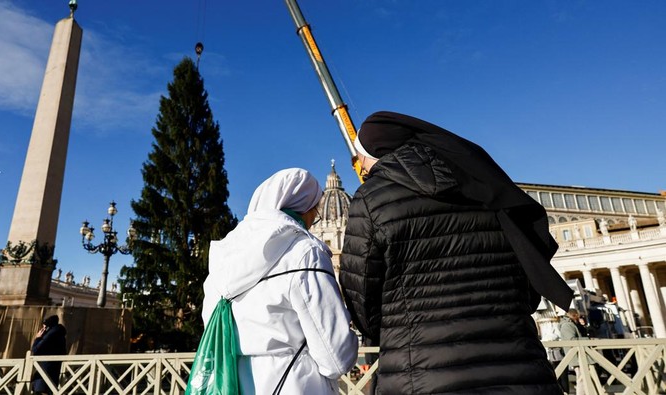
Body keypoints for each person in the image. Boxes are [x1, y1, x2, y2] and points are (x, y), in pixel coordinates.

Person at [339, 111, 573, 394]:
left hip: (423, 372)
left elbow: (361, 298)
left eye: (360, 157)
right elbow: (528, 274)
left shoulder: (371, 199)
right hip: (521, 371)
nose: (361, 166)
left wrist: (399, 325)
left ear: (376, 152)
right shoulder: (485, 186)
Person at [202, 168, 358, 394]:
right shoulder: (305, 252)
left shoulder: (222, 258)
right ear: (304, 207)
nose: (315, 218)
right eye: (315, 209)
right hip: (293, 384)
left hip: (233, 383)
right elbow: (336, 357)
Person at [31, 315, 67, 395]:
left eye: (44, 328)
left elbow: (35, 350)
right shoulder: (60, 335)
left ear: (47, 327)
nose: (42, 330)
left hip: (44, 371)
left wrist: (38, 338)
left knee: (42, 391)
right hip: (53, 371)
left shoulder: (49, 336)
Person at [560, 309, 592, 395]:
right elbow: (571, 340)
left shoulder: (571, 324)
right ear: (575, 315)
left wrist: (582, 325)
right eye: (578, 315)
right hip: (576, 356)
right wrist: (588, 340)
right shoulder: (567, 325)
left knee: (583, 377)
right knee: (581, 378)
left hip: (578, 355)